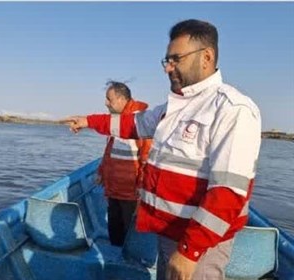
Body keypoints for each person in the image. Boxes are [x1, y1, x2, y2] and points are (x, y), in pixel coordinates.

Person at [63, 19, 261, 280]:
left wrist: (191, 250)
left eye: (176, 59)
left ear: (207, 57)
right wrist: (88, 121)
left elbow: (229, 191)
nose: (168, 68)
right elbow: (131, 124)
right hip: (167, 232)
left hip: (199, 244)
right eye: (166, 60)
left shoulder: (233, 109)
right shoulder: (175, 108)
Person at [96, 81, 152, 247]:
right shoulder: (117, 122)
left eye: (109, 99)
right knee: (114, 229)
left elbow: (147, 158)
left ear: (121, 99)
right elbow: (109, 152)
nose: (106, 103)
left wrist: (141, 188)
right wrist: (101, 173)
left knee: (129, 233)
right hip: (113, 189)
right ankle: (116, 254)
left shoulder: (140, 122)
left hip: (131, 193)